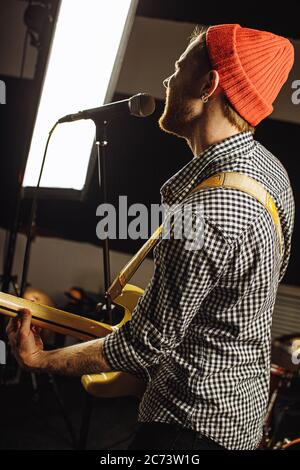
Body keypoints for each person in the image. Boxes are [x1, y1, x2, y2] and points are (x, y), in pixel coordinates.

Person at [7, 24, 295, 450]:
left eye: (179, 68)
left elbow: (143, 348)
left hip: (188, 427)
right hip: (240, 417)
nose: (167, 80)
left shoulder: (207, 213)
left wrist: (41, 359)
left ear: (208, 84)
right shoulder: (272, 172)